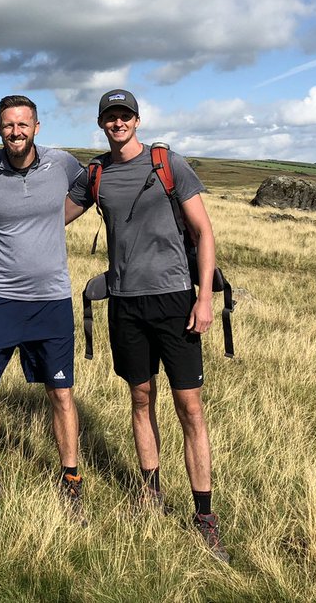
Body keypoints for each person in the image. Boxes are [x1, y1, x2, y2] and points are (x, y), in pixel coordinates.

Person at [65, 89, 229, 563]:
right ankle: (150, 491)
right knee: (141, 398)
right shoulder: (96, 174)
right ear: (101, 123)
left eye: (124, 116)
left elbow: (203, 231)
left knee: (189, 408)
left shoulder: (167, 163)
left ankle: (203, 514)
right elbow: (54, 217)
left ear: (136, 120)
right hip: (125, 304)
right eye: (109, 117)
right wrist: (5, 222)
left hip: (175, 301)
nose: (117, 123)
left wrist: (202, 300)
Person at [0, 95, 87, 510]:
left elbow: (88, 188)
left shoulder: (61, 163)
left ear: (37, 127)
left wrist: (55, 220)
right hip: (0, 297)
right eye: (8, 125)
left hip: (52, 300)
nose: (16, 131)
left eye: (23, 124)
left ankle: (71, 480)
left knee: (61, 393)